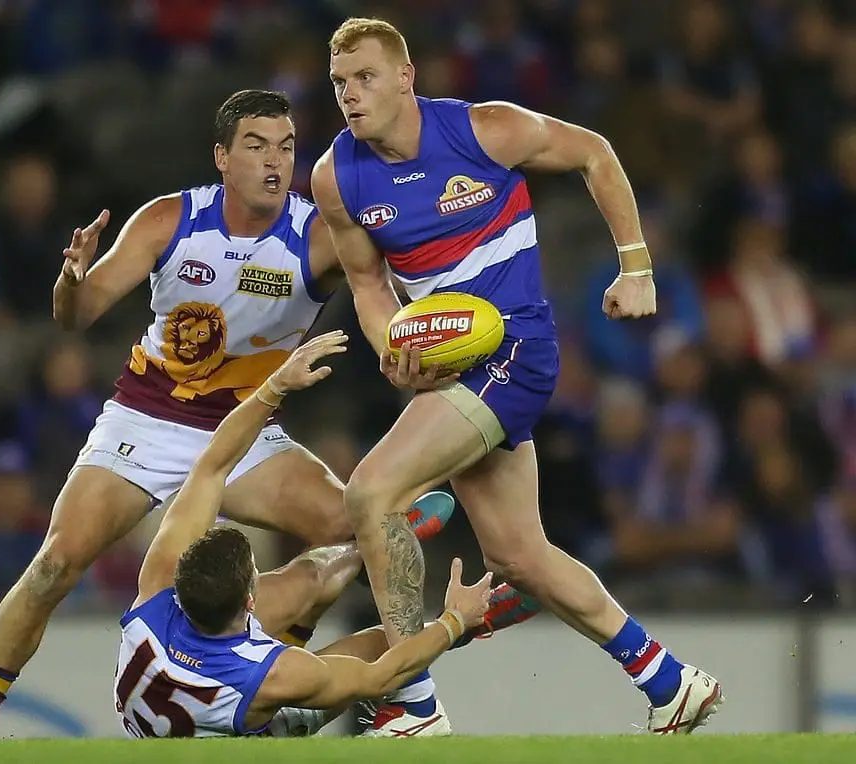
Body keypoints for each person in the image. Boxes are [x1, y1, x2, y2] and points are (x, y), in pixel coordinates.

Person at [0, 89, 464, 739]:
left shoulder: (318, 238)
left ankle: (408, 703)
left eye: (285, 147)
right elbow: (76, 317)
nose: (274, 162)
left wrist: (404, 343)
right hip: (146, 419)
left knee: (361, 520)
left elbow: (375, 290)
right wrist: (71, 280)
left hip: (247, 430)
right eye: (256, 146)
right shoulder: (170, 221)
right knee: (54, 563)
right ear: (222, 157)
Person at [309, 18, 724, 736]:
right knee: (518, 555)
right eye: (340, 81)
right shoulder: (336, 177)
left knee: (372, 491)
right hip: (451, 370)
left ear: (407, 78)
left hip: (516, 352)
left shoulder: (485, 130)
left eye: (366, 77)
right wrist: (392, 345)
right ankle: (668, 680)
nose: (350, 94)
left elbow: (593, 152)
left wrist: (636, 265)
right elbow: (369, 286)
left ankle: (412, 705)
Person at [114, 331, 492, 738]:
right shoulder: (276, 676)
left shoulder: (156, 587)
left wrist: (273, 387)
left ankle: (363, 552)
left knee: (307, 578)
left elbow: (212, 465)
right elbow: (382, 677)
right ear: (250, 599)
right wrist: (454, 621)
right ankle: (476, 618)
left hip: (196, 685)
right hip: (257, 727)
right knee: (388, 642)